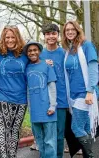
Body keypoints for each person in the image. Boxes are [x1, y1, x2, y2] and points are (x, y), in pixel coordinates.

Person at [62, 21, 99, 157]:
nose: (70, 32)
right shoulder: (69, 50)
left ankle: (90, 156)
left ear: (78, 31)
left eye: (73, 29)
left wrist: (90, 91)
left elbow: (93, 69)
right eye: (67, 30)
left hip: (84, 94)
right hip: (72, 95)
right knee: (84, 128)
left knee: (76, 128)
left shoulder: (86, 46)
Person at [0, 25, 28, 158]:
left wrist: (47, 62)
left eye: (13, 37)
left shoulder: (25, 55)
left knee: (14, 131)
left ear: (17, 38)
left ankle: (12, 155)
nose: (10, 40)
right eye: (7, 37)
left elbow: (37, 62)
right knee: (3, 130)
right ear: (3, 38)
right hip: (1, 97)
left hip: (21, 99)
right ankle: (3, 156)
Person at [23, 41, 57, 158]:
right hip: (35, 111)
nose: (32, 52)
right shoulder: (26, 68)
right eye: (30, 51)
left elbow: (52, 86)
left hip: (48, 108)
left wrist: (53, 105)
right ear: (27, 54)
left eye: (35, 50)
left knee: (50, 141)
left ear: (40, 52)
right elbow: (27, 89)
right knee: (40, 141)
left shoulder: (46, 66)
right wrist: (29, 107)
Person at [40, 23, 69, 158]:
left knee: (59, 134)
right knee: (46, 134)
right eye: (48, 34)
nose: (51, 36)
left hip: (62, 99)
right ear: (44, 36)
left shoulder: (65, 53)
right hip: (44, 100)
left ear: (58, 35)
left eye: (53, 33)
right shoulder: (39, 54)